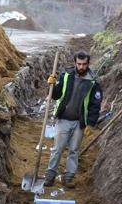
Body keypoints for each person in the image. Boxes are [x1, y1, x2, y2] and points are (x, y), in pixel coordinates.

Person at [44, 50, 103, 187]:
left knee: (74, 150)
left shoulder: (93, 83)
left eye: (84, 64)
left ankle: (69, 177)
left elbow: (95, 105)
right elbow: (57, 95)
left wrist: (91, 124)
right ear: (75, 63)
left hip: (79, 122)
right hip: (63, 118)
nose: (81, 67)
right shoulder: (66, 76)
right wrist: (52, 85)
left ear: (88, 64)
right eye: (79, 64)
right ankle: (50, 176)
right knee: (57, 148)